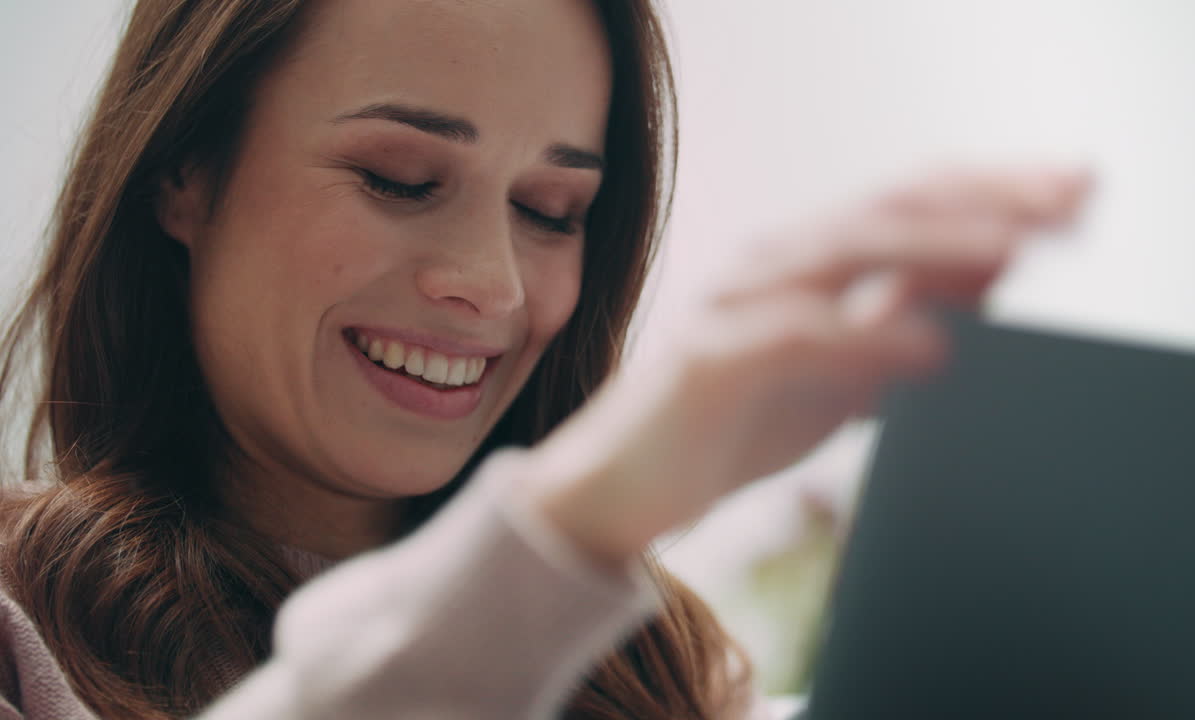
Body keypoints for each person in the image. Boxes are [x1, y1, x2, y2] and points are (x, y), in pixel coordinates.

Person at [0, 0, 1090, 718]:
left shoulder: (665, 670)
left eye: (551, 208)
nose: (493, 283)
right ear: (182, 171)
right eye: (399, 178)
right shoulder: (19, 632)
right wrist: (566, 527)